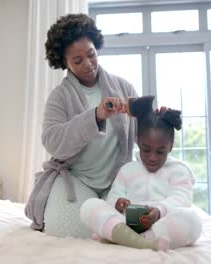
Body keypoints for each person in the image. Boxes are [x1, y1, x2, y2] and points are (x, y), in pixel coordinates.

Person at [24, 13, 139, 238]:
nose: (88, 64)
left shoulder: (123, 87)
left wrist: (158, 120)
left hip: (116, 181)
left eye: (91, 55)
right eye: (77, 61)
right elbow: (51, 141)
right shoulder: (59, 97)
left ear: (97, 48)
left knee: (140, 222)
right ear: (64, 63)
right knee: (69, 230)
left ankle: (107, 211)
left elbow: (143, 132)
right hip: (77, 180)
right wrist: (95, 115)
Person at [80, 96, 202, 250]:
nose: (152, 157)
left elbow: (182, 199)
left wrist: (158, 212)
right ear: (137, 141)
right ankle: (138, 240)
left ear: (170, 146)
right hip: (125, 223)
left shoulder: (179, 171)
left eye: (160, 151)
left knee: (193, 221)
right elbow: (113, 198)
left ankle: (126, 238)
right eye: (146, 149)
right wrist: (118, 204)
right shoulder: (128, 170)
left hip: (159, 226)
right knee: (89, 206)